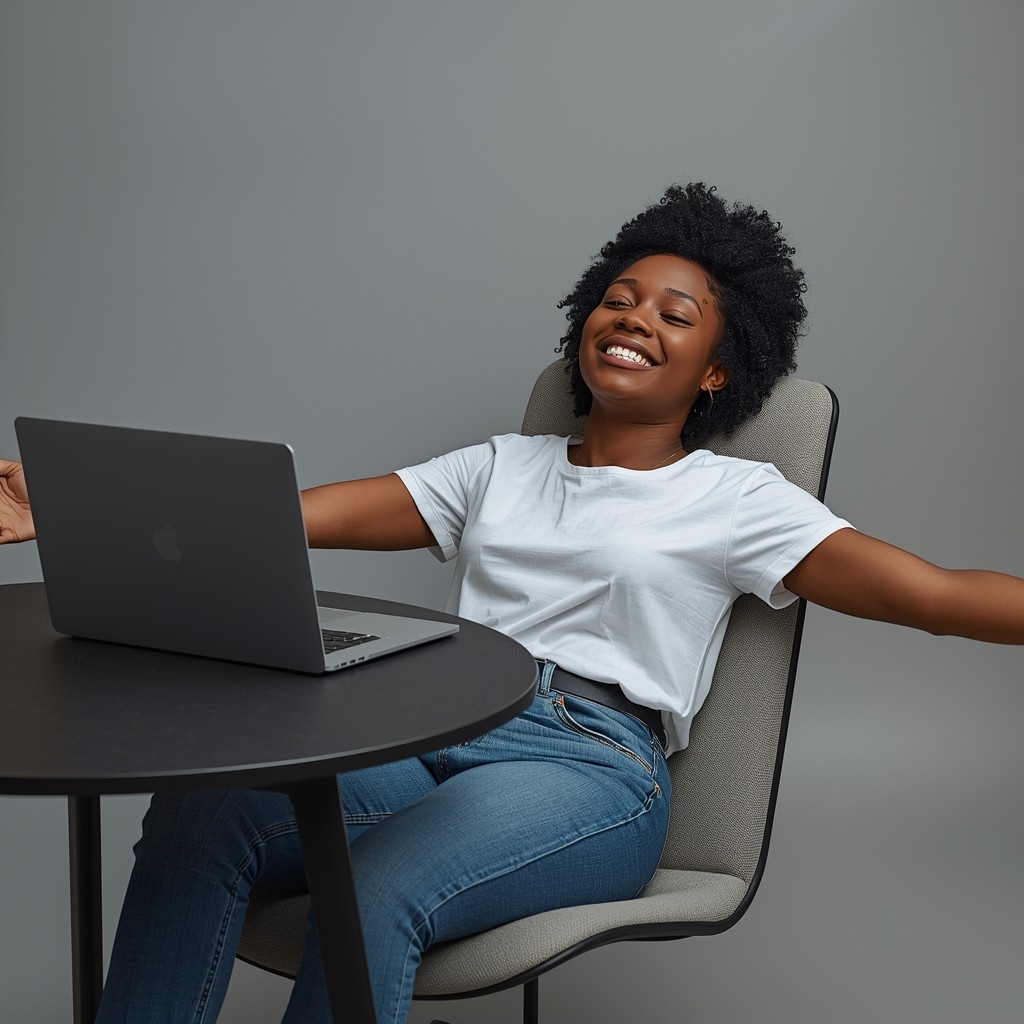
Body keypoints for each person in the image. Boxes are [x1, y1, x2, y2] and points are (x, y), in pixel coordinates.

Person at [1, 182, 1022, 1024]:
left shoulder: (738, 499)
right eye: (619, 299)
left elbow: (929, 594)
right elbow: (274, 517)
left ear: (717, 368)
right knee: (205, 810)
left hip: (585, 762)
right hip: (430, 722)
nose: (633, 319)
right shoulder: (501, 467)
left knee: (368, 890)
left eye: (675, 313)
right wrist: (60, 503)